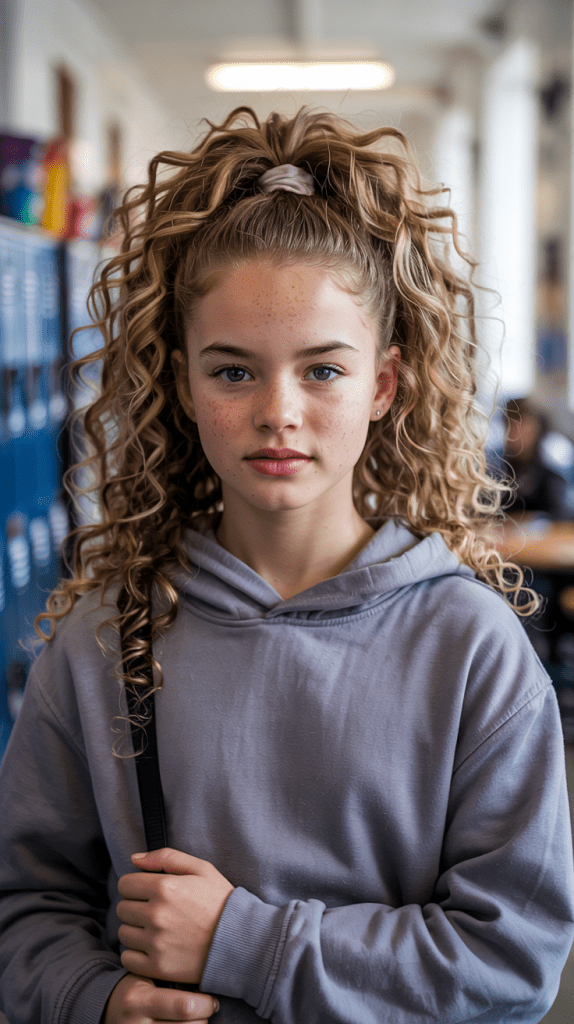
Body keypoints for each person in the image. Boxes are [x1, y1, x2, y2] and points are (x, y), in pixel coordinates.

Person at [0, 106, 573, 1024]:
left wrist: (242, 939)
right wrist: (92, 997)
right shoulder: (105, 636)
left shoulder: (471, 648)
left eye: (323, 371)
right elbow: (24, 906)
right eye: (233, 371)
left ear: (384, 384)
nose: (278, 411)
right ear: (181, 379)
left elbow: (512, 961)